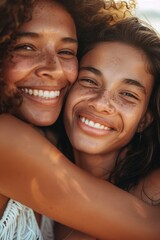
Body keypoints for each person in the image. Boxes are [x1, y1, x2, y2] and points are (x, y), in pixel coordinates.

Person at [1, 0, 160, 239]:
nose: (53, 69)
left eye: (66, 52)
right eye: (26, 47)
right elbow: (149, 228)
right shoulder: (6, 138)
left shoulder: (47, 139)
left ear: (145, 119)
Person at [54, 16, 160, 239]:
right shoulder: (34, 157)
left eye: (128, 95)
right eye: (90, 81)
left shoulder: (155, 190)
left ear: (144, 120)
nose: (101, 103)